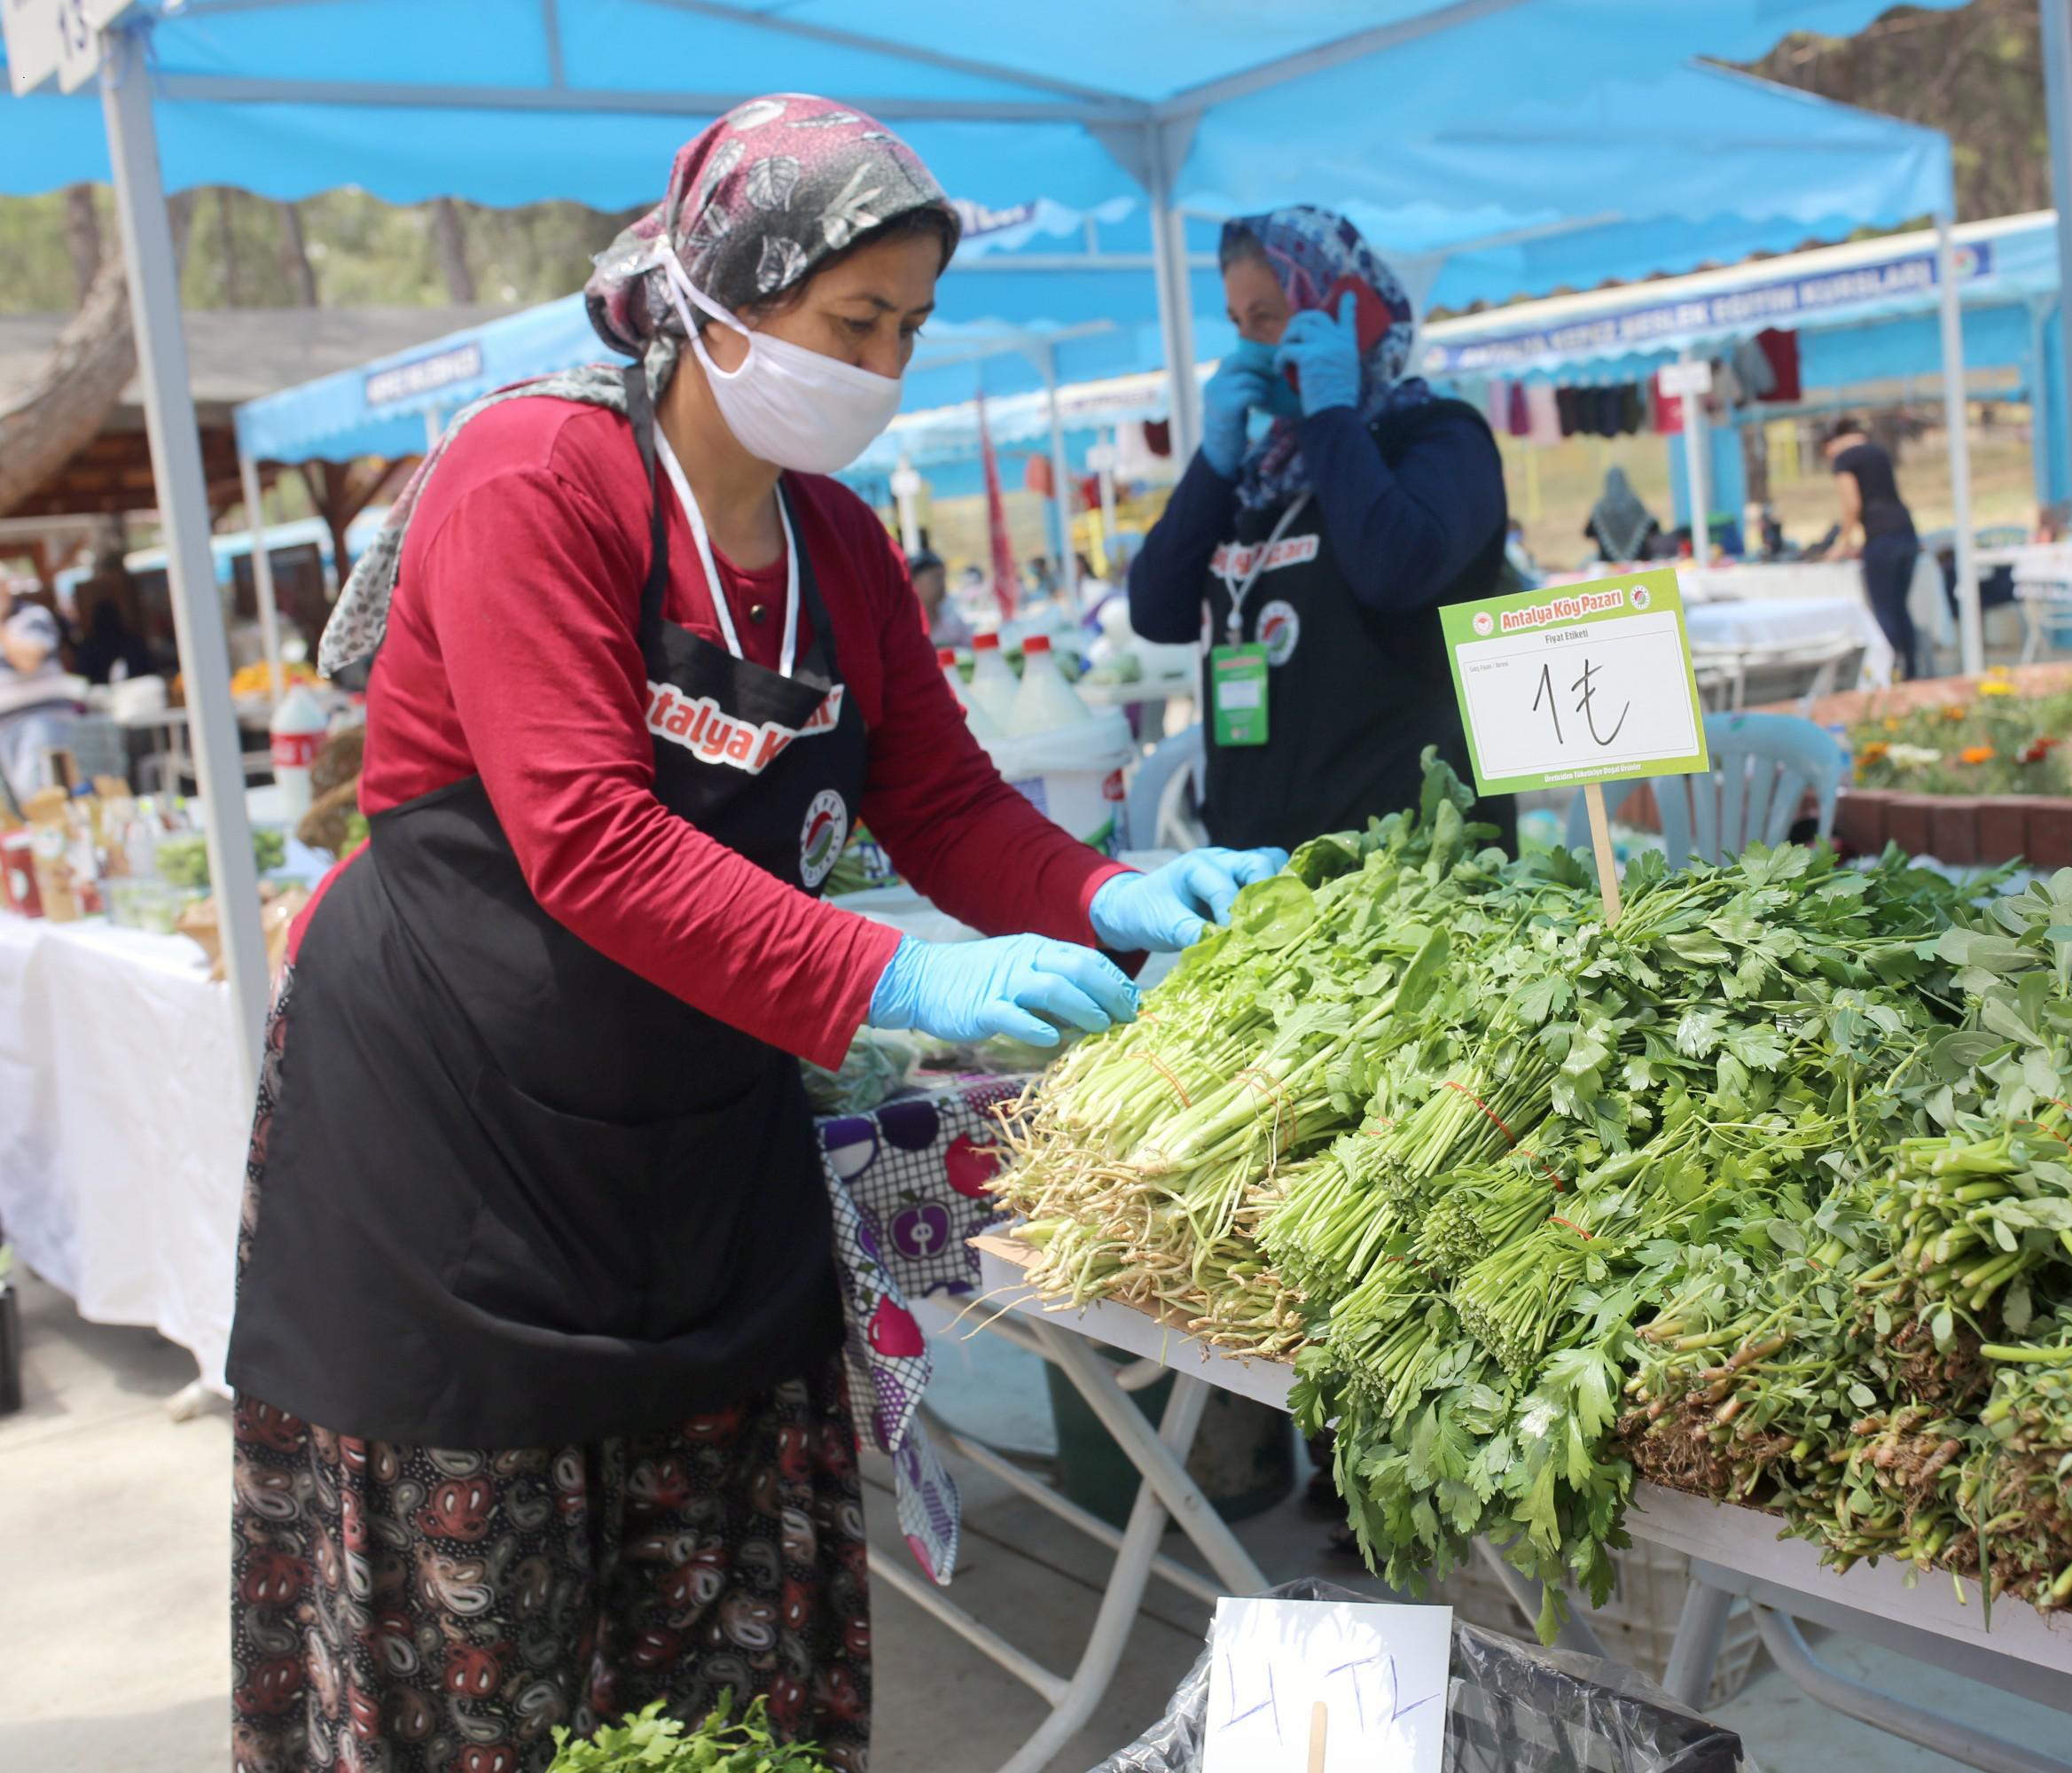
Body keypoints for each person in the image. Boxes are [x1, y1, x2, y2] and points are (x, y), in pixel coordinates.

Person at [225, 97, 1282, 1773]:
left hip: (700, 1160)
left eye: (909, 330)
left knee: (720, 1666)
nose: (883, 366)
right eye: (852, 321)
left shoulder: (840, 548)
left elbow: (941, 805)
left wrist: (1106, 891)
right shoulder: (538, 478)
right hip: (447, 1162)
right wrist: (900, 972)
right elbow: (587, 839)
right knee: (475, 1676)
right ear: (722, 288)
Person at [1128, 205, 1513, 851]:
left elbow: (1394, 571)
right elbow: (1157, 610)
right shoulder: (1259, 472)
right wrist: (1213, 466)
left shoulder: (1439, 437)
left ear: (1342, 314)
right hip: (1262, 852)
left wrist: (1330, 417)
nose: (1251, 345)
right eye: (1238, 323)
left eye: (1268, 317)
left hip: (1410, 858)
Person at [1825, 415, 1922, 680]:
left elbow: (1852, 505)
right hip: (1906, 530)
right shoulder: (1879, 452)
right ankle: (1911, 669)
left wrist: (1842, 543)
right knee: (1901, 606)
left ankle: (1888, 672)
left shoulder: (1844, 460)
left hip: (1881, 537)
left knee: (1884, 609)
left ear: (1832, 443)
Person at [0, 597, 81, 806]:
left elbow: (28, 662)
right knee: (20, 799)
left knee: (38, 794)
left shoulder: (33, 616)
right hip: (5, 723)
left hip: (39, 717)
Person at [1583, 465, 1662, 564]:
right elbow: (1655, 528)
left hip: (1609, 563)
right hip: (1639, 560)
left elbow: (1587, 533)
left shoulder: (1601, 509)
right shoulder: (1635, 504)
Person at [911, 544, 969, 647]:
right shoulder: (903, 627)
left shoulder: (953, 621)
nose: (942, 584)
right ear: (914, 582)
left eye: (943, 577)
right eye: (936, 578)